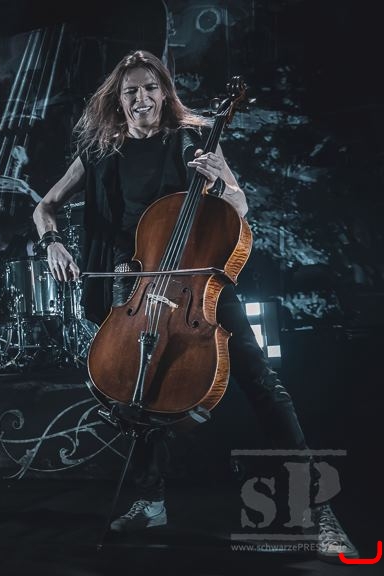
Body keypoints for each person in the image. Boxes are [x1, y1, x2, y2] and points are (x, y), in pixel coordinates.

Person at [31, 50, 358, 561]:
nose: (141, 99)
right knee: (139, 393)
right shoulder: (101, 150)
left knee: (263, 385)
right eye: (131, 91)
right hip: (139, 285)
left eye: (150, 88)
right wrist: (52, 243)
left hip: (200, 284)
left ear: (165, 92)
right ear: (118, 99)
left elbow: (240, 207)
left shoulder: (192, 139)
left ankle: (318, 511)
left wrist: (222, 182)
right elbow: (45, 206)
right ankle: (149, 501)